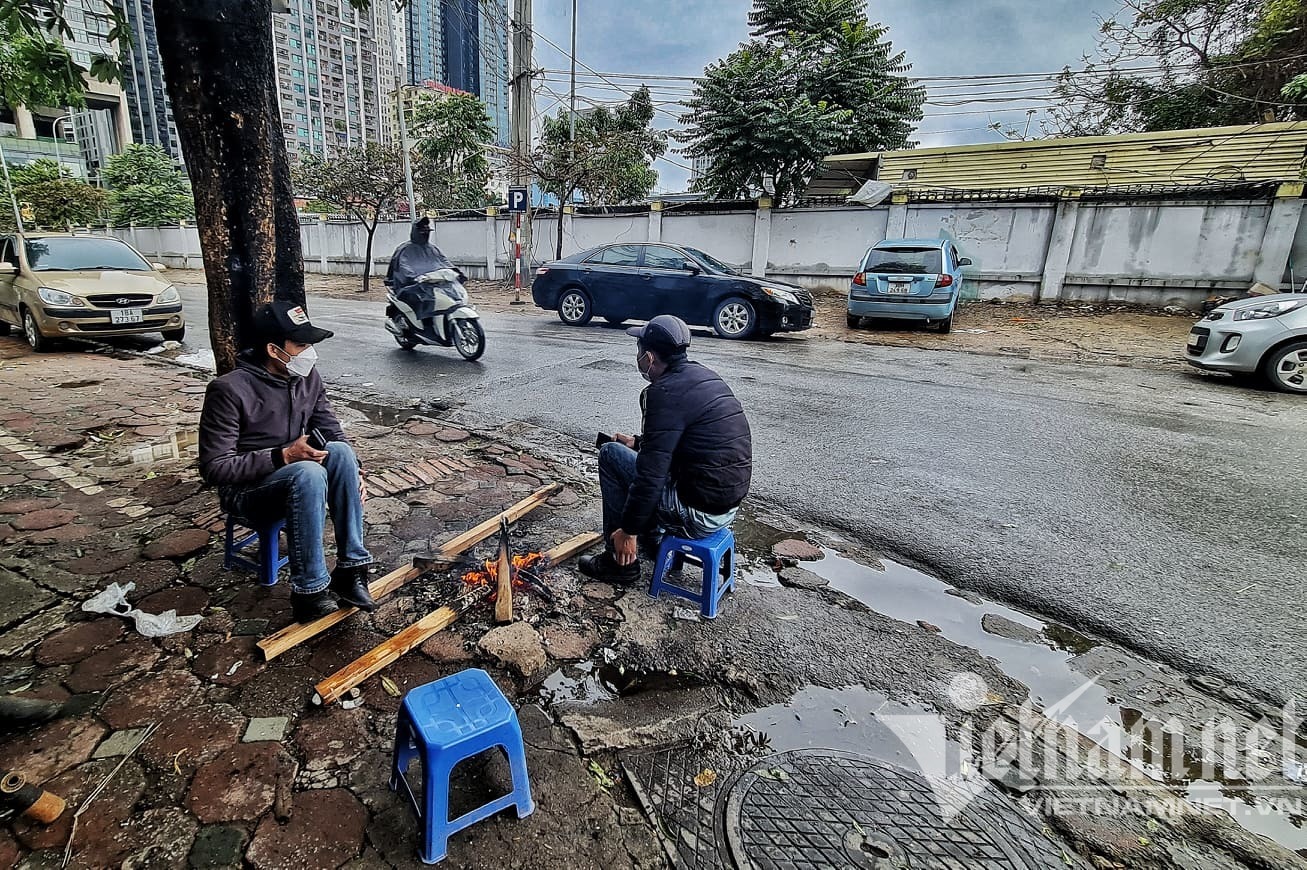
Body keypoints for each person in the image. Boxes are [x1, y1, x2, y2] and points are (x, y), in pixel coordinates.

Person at [198, 300, 376, 623]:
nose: (310, 352)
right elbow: (215, 469)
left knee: (341, 454)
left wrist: (355, 472)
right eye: (302, 344)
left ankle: (352, 571)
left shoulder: (306, 378)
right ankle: (309, 592)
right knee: (308, 473)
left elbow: (330, 429)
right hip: (247, 491)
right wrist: (282, 456)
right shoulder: (228, 391)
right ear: (274, 350)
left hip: (295, 481)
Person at [579, 314, 753, 582]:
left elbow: (651, 475)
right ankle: (654, 540)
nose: (638, 358)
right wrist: (637, 443)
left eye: (639, 351)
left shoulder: (662, 392)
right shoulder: (705, 376)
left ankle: (619, 562)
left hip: (698, 516)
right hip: (725, 508)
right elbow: (685, 443)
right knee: (628, 452)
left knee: (610, 455)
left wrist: (628, 530)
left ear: (649, 357)